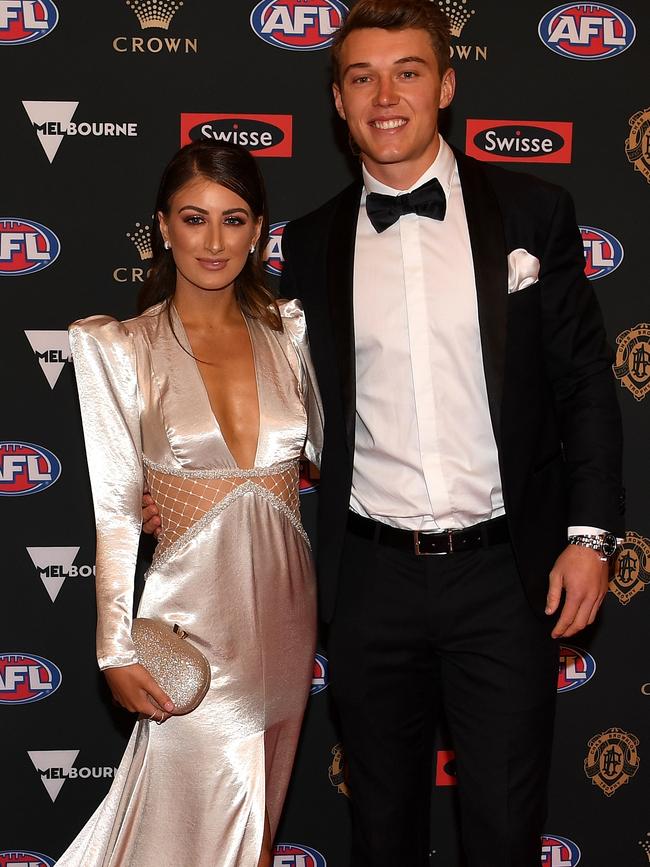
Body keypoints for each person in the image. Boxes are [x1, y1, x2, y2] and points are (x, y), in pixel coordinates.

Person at [277, 2, 623, 865]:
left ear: (447, 85)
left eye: (408, 72)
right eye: (361, 77)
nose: (384, 95)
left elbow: (586, 386)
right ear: (337, 99)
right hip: (370, 583)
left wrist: (590, 538)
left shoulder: (536, 212)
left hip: (507, 578)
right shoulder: (311, 242)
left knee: (504, 833)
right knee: (381, 832)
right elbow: (276, 405)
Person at [59, 140, 322, 867]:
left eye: (233, 220)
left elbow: (331, 457)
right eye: (194, 218)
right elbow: (114, 509)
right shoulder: (121, 348)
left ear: (258, 230)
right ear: (162, 227)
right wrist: (113, 648)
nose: (213, 241)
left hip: (288, 616)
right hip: (191, 627)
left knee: (255, 830)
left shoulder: (289, 336)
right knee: (206, 828)